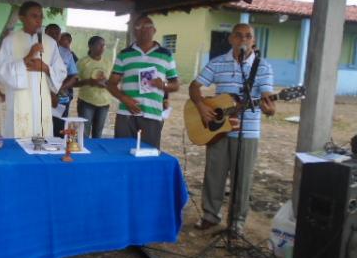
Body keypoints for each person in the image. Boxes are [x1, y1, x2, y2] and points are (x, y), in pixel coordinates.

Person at [189, 23, 275, 235]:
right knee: (213, 175)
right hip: (218, 130)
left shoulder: (263, 67)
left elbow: (267, 98)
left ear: (253, 41)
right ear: (231, 39)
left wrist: (270, 108)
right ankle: (210, 215)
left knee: (242, 178)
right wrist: (201, 106)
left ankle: (236, 222)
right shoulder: (218, 63)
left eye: (248, 36)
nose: (243, 40)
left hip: (248, 132)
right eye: (239, 36)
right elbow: (194, 86)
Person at [0, 2, 67, 138]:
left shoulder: (50, 42)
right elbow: (0, 71)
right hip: (18, 101)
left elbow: (61, 72)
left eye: (41, 16)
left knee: (42, 139)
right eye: (34, 16)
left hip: (42, 102)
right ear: (22, 18)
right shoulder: (10, 41)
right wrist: (26, 58)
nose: (39, 20)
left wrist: (45, 68)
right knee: (18, 139)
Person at [107, 15, 179, 148]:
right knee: (121, 153)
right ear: (134, 31)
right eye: (138, 27)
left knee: (148, 156)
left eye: (147, 26)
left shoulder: (166, 54)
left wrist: (162, 85)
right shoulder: (124, 54)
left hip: (152, 114)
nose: (143, 30)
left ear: (154, 30)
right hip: (126, 114)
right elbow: (111, 84)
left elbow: (175, 85)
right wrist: (124, 99)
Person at [45, 24, 78, 137]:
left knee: (59, 129)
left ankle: (57, 152)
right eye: (51, 33)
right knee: (41, 127)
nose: (54, 36)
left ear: (60, 36)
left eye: (56, 33)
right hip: (41, 96)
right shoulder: (38, 50)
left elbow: (73, 76)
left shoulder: (66, 53)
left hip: (61, 98)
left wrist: (60, 88)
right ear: (45, 34)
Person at [75, 35, 112, 138]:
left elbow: (112, 82)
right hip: (86, 102)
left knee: (98, 134)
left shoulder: (108, 62)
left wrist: (106, 83)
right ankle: (84, 152)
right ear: (90, 46)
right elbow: (73, 83)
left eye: (104, 45)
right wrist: (88, 81)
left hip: (104, 103)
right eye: (99, 45)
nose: (102, 48)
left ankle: (95, 154)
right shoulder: (82, 63)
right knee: (84, 133)